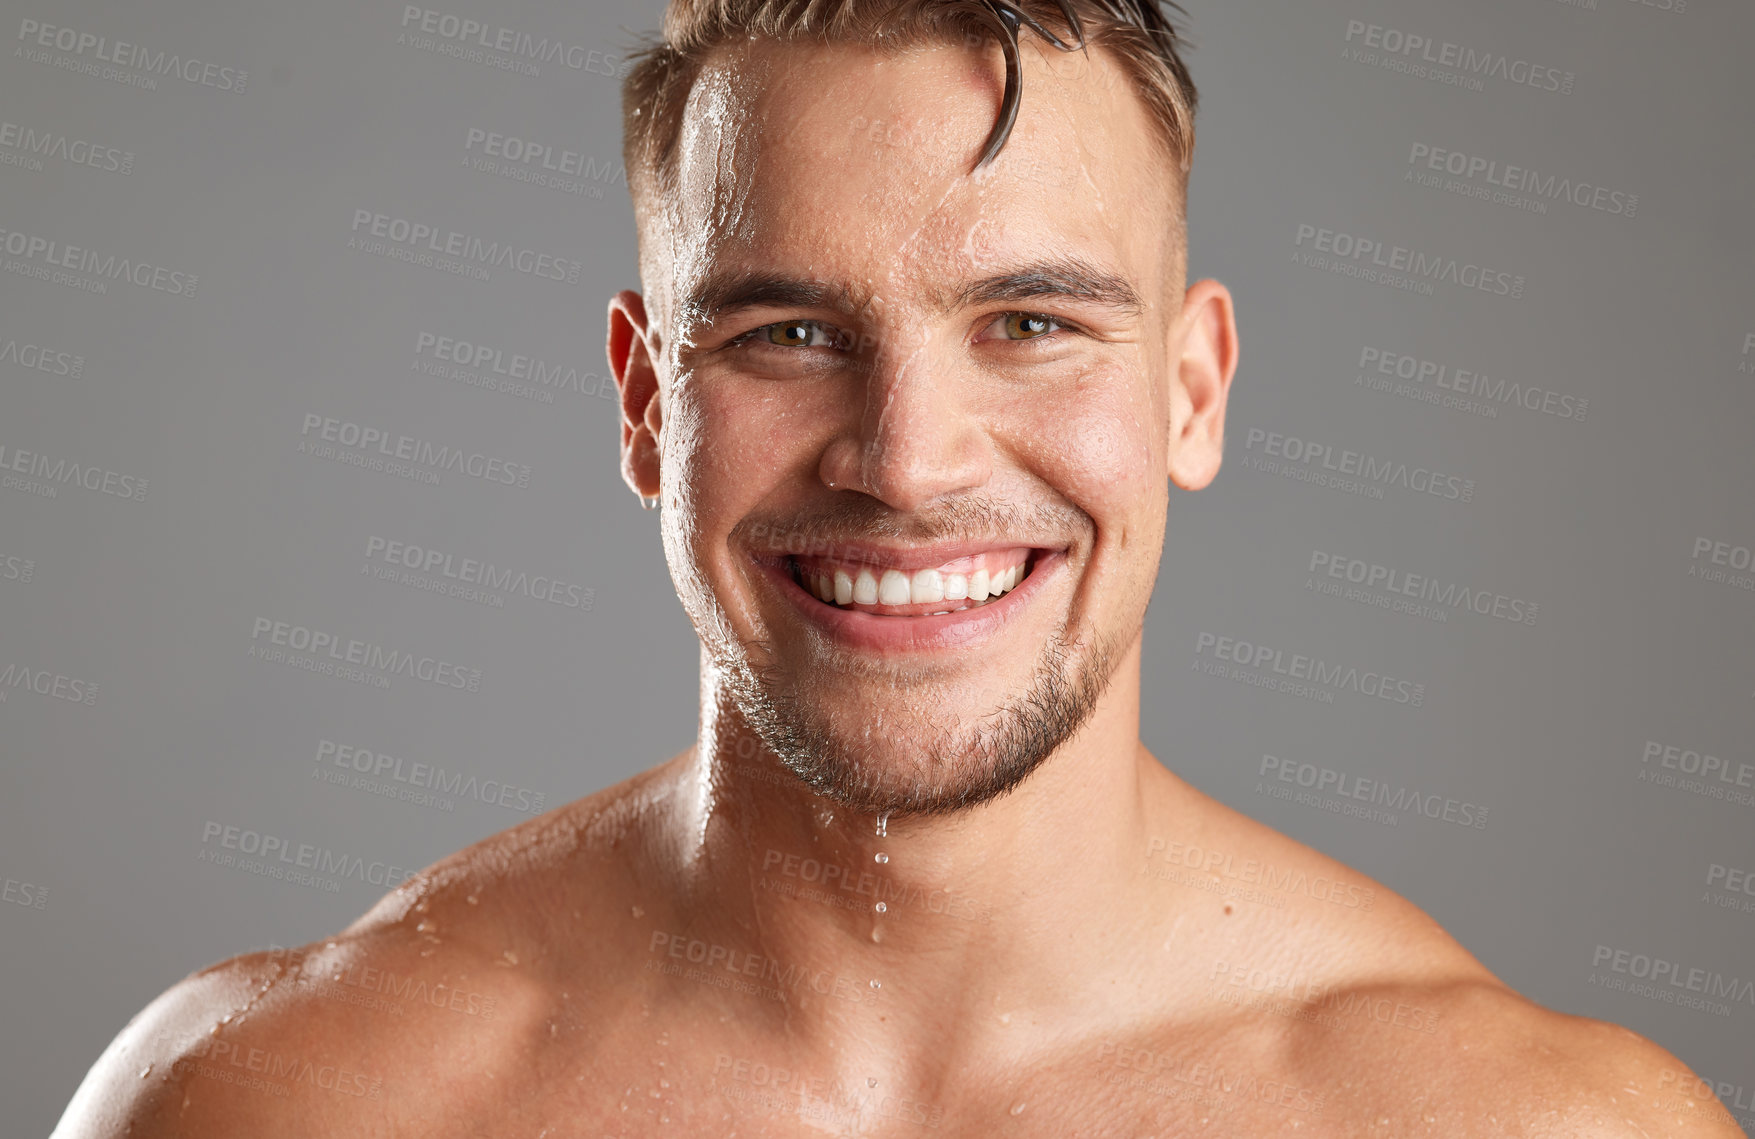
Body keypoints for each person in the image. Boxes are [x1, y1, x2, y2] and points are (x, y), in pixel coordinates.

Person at [54, 2, 1741, 1134]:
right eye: (789, 331)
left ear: (1193, 390)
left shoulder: (1520, 1126)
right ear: (648, 405)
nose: (909, 460)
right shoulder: (290, 1102)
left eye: (1031, 323)